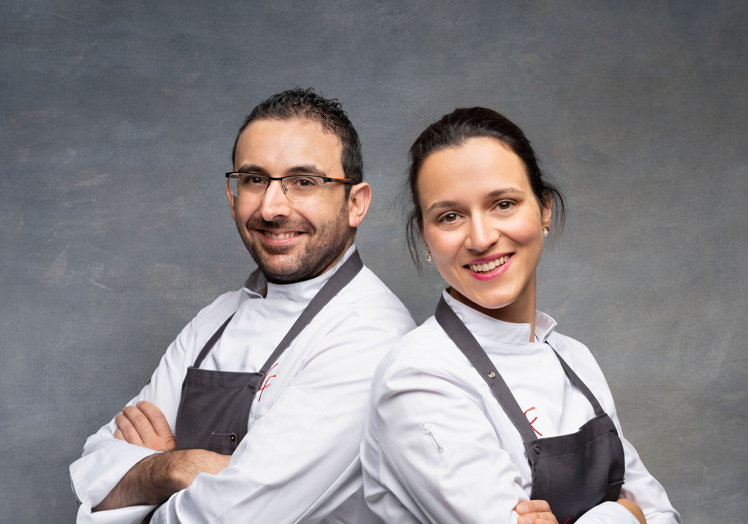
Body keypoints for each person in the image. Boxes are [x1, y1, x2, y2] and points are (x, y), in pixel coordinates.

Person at [69, 87, 416, 524]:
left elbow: (239, 515)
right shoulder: (216, 319)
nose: (271, 208)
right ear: (232, 196)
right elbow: (93, 470)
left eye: (303, 182)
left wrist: (144, 482)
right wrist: (178, 468)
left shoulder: (371, 333)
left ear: (355, 204)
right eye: (254, 179)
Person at [360, 107, 681, 524]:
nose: (481, 238)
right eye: (450, 216)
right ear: (425, 234)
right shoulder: (417, 379)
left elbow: (665, 515)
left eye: (504, 204)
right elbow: (643, 511)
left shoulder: (574, 360)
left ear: (544, 209)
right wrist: (625, 515)